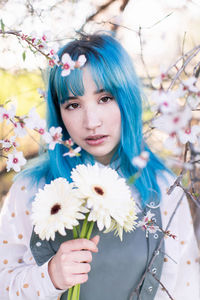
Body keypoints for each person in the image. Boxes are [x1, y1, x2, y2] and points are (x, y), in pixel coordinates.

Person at [0, 32, 199, 300]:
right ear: (59, 113)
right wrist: (50, 276)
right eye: (73, 104)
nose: (91, 121)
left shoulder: (161, 187)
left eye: (105, 98)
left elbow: (187, 287)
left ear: (127, 98)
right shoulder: (30, 188)